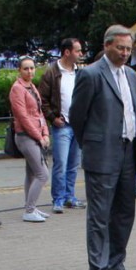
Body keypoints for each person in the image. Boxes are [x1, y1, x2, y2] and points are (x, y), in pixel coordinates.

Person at [70, 24, 136, 270]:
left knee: (125, 212)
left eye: (128, 49)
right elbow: (77, 116)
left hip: (128, 152)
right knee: (99, 216)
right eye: (120, 48)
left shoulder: (132, 75)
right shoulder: (90, 74)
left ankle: (115, 264)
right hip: (101, 155)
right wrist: (91, 144)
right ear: (107, 45)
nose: (125, 53)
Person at [37, 37, 86, 214]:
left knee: (73, 164)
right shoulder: (51, 73)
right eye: (77, 51)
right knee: (61, 163)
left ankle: (69, 196)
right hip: (62, 125)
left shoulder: (80, 72)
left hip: (77, 124)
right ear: (67, 52)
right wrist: (53, 118)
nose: (81, 54)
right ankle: (58, 198)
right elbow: (42, 100)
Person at [10, 57, 51, 223]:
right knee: (43, 174)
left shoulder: (32, 87)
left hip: (36, 135)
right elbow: (23, 117)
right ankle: (29, 210)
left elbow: (39, 113)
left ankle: (31, 206)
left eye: (32, 68)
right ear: (19, 70)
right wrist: (39, 137)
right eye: (26, 68)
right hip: (25, 136)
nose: (30, 71)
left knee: (32, 173)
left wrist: (46, 133)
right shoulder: (17, 89)